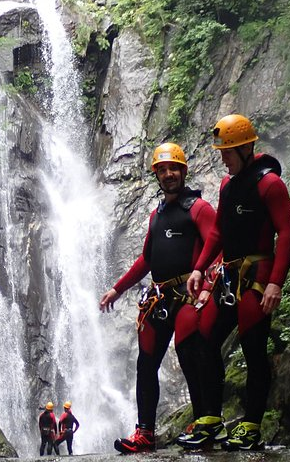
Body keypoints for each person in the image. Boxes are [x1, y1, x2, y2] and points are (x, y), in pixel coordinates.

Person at [182, 114, 290, 451]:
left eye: (228, 152)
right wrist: (200, 269)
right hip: (228, 276)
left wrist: (276, 282)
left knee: (254, 349)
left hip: (257, 275)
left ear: (247, 148)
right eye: (222, 152)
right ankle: (211, 419)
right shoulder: (227, 186)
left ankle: (251, 423)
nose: (223, 158)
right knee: (204, 341)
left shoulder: (270, 184)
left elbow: (286, 232)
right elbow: (218, 232)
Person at [99, 142, 217, 454]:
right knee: (146, 363)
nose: (168, 174)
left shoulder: (199, 209)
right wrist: (118, 288)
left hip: (188, 294)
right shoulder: (156, 215)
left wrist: (206, 286)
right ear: (156, 175)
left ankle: (204, 422)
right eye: (162, 170)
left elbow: (217, 246)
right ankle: (145, 433)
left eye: (173, 168)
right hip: (160, 296)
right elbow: (146, 260)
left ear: (183, 170)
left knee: (189, 353)